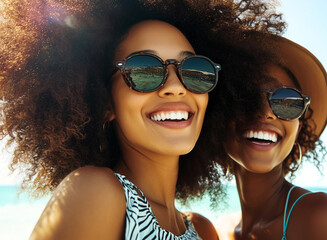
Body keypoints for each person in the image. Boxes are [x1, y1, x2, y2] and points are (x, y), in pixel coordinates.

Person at [0, 0, 281, 239]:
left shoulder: (202, 229)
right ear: (106, 103)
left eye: (195, 71)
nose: (176, 85)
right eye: (145, 70)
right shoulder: (96, 192)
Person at [209, 32, 327, 239]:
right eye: (247, 97)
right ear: (217, 117)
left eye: (287, 102)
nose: (266, 112)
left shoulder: (324, 216)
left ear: (298, 129)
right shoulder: (219, 230)